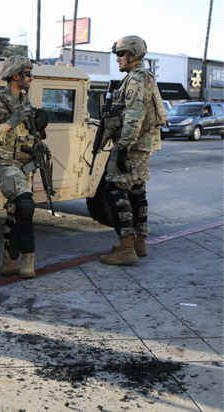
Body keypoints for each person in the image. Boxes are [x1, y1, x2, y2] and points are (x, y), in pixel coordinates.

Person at [99, 35, 166, 265]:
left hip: (133, 143)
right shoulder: (144, 77)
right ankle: (139, 242)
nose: (117, 59)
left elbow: (135, 114)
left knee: (114, 188)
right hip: (143, 143)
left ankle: (127, 247)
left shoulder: (136, 79)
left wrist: (125, 146)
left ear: (133, 55)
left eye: (120, 54)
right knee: (137, 189)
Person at [0, 55, 43, 278]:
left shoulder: (26, 101)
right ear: (16, 76)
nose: (31, 77)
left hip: (25, 162)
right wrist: (12, 122)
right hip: (6, 162)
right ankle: (28, 260)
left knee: (15, 211)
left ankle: (9, 262)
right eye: (28, 73)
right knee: (26, 206)